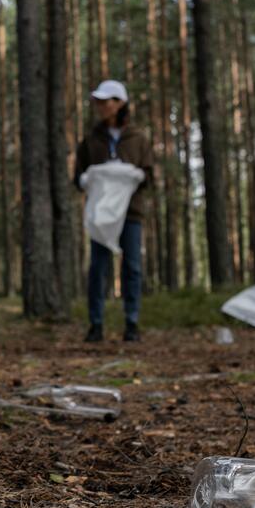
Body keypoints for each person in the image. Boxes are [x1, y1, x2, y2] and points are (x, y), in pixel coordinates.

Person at [74, 80, 155, 343]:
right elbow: (78, 176)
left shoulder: (138, 138)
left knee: (132, 267)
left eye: (105, 101)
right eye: (97, 101)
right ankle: (95, 324)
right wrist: (85, 180)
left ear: (119, 103)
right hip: (101, 215)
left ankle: (131, 323)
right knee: (98, 268)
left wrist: (135, 176)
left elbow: (150, 176)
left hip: (130, 214)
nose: (99, 106)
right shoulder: (91, 139)